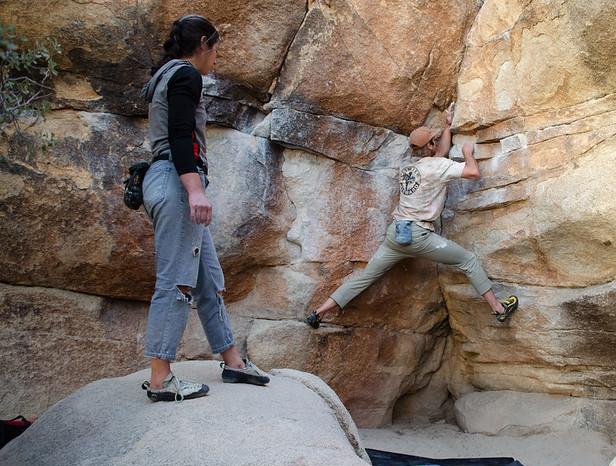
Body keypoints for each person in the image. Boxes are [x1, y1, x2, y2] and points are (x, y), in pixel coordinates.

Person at [139, 14, 269, 402]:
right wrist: (195, 190)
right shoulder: (185, 75)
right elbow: (181, 135)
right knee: (176, 280)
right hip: (177, 182)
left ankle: (233, 361)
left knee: (208, 279)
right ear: (202, 43)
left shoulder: (166, 74)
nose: (216, 58)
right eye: (215, 49)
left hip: (168, 180)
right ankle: (161, 378)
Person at [304, 106, 518, 329]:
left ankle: (318, 313)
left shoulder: (409, 169)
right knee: (468, 260)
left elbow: (438, 156)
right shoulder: (437, 167)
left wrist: (447, 126)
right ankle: (499, 309)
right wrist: (467, 153)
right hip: (419, 236)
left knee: (364, 277)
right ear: (430, 146)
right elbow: (473, 172)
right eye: (434, 140)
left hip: (396, 234)